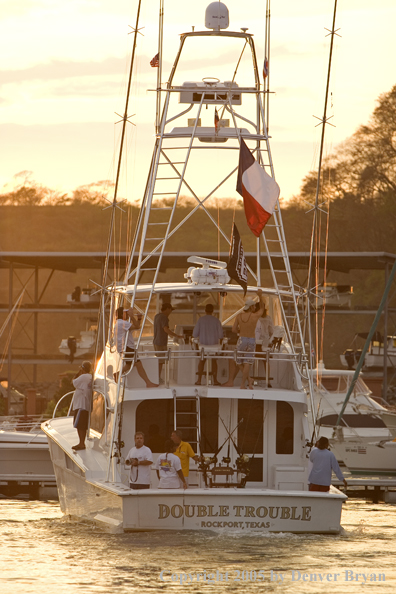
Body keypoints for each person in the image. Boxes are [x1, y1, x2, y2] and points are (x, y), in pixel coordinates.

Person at [223, 289, 264, 389]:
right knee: (247, 362)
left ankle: (249, 380)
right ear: (251, 307)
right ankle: (244, 383)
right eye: (254, 306)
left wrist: (240, 332)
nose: (255, 307)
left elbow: (233, 329)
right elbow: (262, 308)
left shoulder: (239, 316)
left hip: (242, 339)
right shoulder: (255, 316)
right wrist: (260, 295)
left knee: (237, 360)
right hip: (251, 341)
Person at [114, 306, 158, 387]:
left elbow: (136, 326)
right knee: (138, 364)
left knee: (130, 364)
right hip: (126, 347)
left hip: (125, 347)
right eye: (126, 313)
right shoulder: (122, 323)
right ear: (122, 314)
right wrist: (132, 317)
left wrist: (139, 319)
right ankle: (148, 383)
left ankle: (117, 374)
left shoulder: (120, 323)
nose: (128, 315)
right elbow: (137, 327)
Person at [192, 303, 224, 385]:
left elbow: (194, 334)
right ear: (212, 311)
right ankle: (215, 380)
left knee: (202, 361)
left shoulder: (201, 320)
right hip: (214, 346)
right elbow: (221, 335)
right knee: (214, 361)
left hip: (203, 346)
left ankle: (199, 380)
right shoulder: (217, 321)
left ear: (205, 310)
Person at [153, 303, 183, 381]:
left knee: (158, 361)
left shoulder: (157, 316)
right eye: (170, 310)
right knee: (160, 361)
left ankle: (156, 376)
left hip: (155, 341)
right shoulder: (164, 317)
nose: (170, 312)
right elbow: (165, 329)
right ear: (167, 309)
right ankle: (157, 378)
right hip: (161, 342)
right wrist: (177, 336)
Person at [72, 360, 92, 451]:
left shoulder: (83, 376)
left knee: (80, 425)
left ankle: (81, 443)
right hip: (85, 404)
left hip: (81, 405)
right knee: (82, 425)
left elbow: (73, 382)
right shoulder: (90, 377)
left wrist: (79, 372)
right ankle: (81, 443)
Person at [255, 304, 274, 386]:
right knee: (264, 360)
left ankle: (266, 380)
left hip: (261, 342)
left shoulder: (257, 318)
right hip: (261, 341)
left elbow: (272, 331)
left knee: (263, 360)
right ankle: (265, 381)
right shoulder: (266, 318)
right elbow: (272, 331)